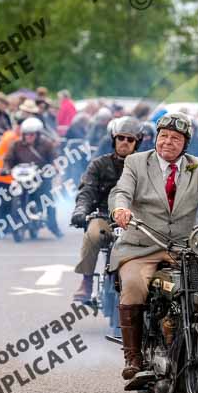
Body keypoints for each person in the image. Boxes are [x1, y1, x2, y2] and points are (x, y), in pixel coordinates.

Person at [108, 112, 198, 381]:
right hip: (140, 245)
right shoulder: (136, 162)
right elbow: (122, 190)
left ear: (185, 144)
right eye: (164, 136)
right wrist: (120, 209)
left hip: (181, 247)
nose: (168, 142)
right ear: (156, 138)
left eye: (176, 138)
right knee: (134, 285)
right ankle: (133, 357)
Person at [70, 117, 141, 302]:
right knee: (93, 234)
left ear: (137, 142)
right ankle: (86, 282)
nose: (125, 142)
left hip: (135, 219)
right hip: (103, 216)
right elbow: (87, 190)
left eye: (130, 139)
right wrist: (80, 210)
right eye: (121, 138)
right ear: (113, 139)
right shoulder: (98, 164)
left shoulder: (145, 166)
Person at [4, 117, 63, 239]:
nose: (28, 137)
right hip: (21, 178)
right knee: (10, 197)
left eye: (31, 135)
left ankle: (54, 227)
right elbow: (8, 159)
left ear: (38, 134)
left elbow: (54, 158)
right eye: (26, 134)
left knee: (48, 200)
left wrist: (54, 166)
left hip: (41, 178)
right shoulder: (16, 145)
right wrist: (6, 168)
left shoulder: (47, 144)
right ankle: (13, 223)